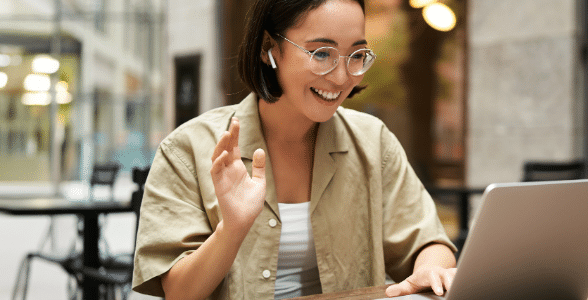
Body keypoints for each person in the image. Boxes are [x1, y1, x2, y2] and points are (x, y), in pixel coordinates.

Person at [131, 0, 458, 299]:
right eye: (321, 54)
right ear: (268, 48)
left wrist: (431, 269)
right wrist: (230, 231)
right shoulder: (186, 149)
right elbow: (177, 292)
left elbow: (428, 243)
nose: (343, 77)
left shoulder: (373, 142)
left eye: (356, 55)